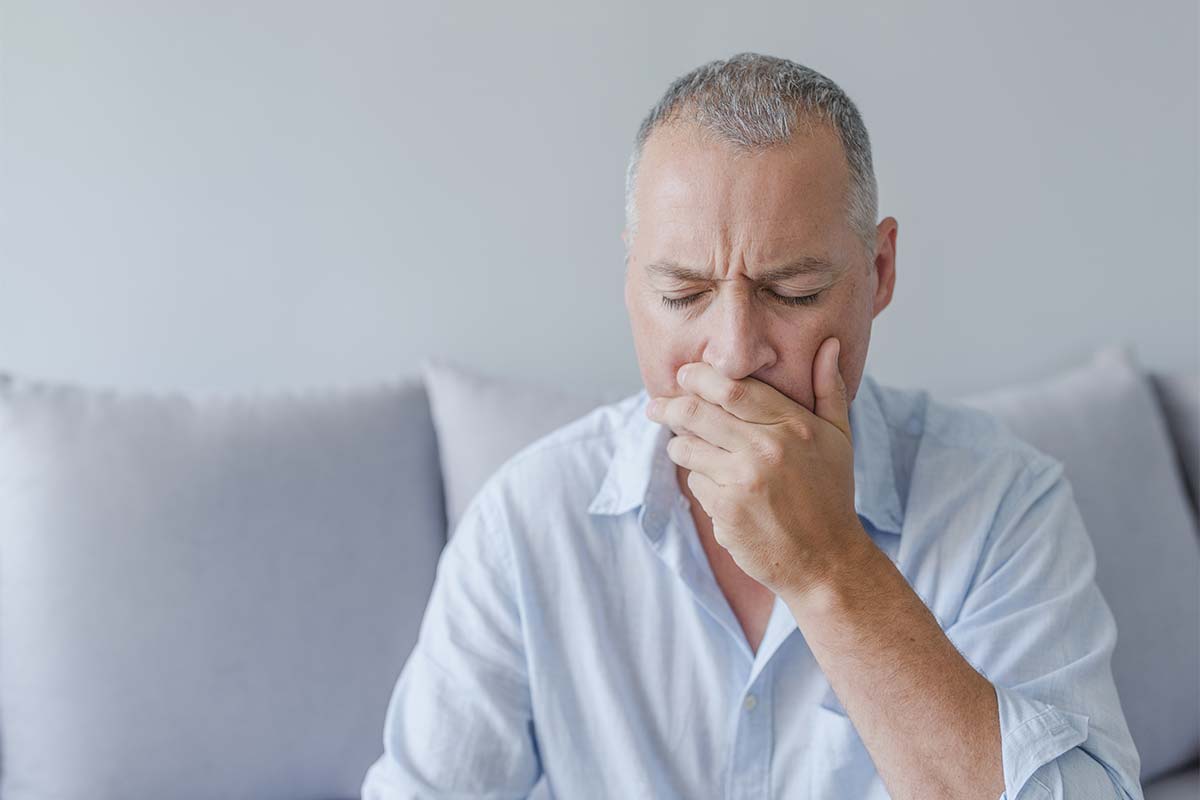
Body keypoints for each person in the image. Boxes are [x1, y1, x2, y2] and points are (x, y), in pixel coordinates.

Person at [361, 52, 1143, 799]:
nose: (734, 356)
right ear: (631, 283)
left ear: (879, 272)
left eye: (794, 292)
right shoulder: (525, 523)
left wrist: (831, 569)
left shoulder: (1005, 502)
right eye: (682, 294)